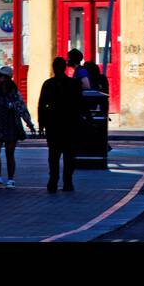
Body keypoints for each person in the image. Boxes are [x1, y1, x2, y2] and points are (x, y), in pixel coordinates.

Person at [0, 66, 36, 187]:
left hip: (11, 125)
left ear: (6, 78)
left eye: (0, 75)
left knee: (10, 153)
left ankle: (10, 178)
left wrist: (29, 123)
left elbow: (22, 108)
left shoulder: (14, 93)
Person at [38, 56, 86, 193]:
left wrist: (42, 123)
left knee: (53, 155)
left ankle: (53, 181)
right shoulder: (73, 84)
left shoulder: (48, 84)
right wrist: (86, 118)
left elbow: (42, 105)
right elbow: (81, 103)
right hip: (70, 123)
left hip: (53, 124)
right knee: (69, 154)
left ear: (53, 68)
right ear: (64, 68)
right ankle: (68, 181)